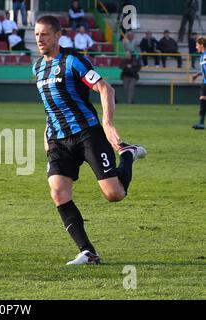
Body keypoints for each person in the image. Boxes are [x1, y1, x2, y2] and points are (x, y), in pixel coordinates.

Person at [33, 15, 147, 265]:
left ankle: (126, 153)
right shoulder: (37, 67)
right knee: (58, 192)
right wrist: (46, 137)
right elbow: (50, 107)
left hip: (87, 134)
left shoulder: (73, 61)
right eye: (37, 34)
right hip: (58, 141)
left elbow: (106, 89)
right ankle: (88, 252)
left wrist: (107, 124)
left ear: (57, 35)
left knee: (114, 194)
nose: (39, 39)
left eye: (45, 34)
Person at [190, 37, 206, 130]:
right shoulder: (202, 56)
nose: (196, 47)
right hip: (204, 81)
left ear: (202, 45)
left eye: (197, 45)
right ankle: (201, 123)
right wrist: (197, 74)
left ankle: (201, 123)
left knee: (203, 100)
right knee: (203, 100)